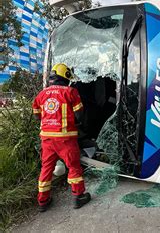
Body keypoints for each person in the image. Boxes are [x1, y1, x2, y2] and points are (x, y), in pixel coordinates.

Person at [32, 63, 91, 212]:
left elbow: (36, 114)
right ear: (65, 77)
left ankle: (43, 201)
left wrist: (49, 122)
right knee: (73, 167)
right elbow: (80, 115)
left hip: (47, 139)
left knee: (46, 168)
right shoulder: (71, 92)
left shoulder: (41, 94)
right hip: (65, 139)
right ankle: (78, 197)